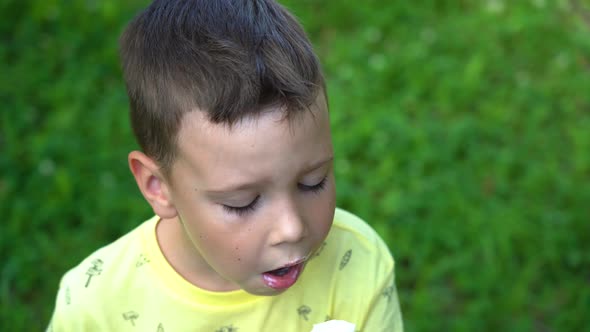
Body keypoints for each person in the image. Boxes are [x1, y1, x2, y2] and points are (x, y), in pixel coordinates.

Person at [47, 0, 403, 331]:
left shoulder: (356, 265)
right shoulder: (94, 306)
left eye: (313, 182)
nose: (292, 228)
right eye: (242, 203)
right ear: (158, 187)